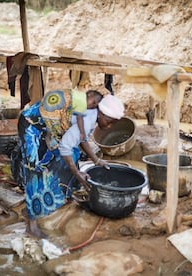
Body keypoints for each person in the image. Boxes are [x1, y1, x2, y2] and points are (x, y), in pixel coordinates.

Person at [11, 92, 125, 238]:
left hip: (48, 125)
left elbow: (81, 139)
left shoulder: (91, 113)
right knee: (35, 169)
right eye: (109, 122)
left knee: (74, 154)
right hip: (31, 124)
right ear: (101, 114)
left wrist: (96, 160)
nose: (109, 127)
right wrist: (78, 174)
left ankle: (65, 193)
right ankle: (31, 223)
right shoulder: (89, 117)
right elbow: (65, 147)